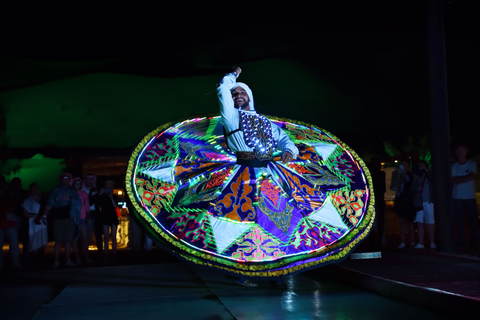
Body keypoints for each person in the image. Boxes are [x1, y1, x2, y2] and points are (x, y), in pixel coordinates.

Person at [218, 67, 298, 287]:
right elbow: (223, 90)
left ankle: (277, 270)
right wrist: (231, 78)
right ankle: (243, 272)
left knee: (277, 223)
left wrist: (290, 151)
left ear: (250, 96)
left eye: (242, 92)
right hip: (243, 176)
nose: (238, 96)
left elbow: (285, 140)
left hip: (268, 175)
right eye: (234, 94)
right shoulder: (231, 116)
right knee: (244, 225)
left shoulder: (264, 122)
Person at [42, 173, 81, 268]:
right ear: (60, 179)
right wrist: (44, 215)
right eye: (64, 178)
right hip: (58, 219)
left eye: (68, 178)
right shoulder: (55, 190)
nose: (66, 180)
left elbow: (78, 203)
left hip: (69, 219)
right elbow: (49, 204)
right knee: (58, 241)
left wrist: (69, 198)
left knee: (68, 241)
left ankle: (67, 260)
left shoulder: (72, 191)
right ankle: (56, 261)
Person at [451, 144, 479, 253]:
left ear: (466, 152)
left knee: (473, 221)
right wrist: (464, 178)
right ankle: (462, 242)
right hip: (457, 198)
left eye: (462, 152)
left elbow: (471, 176)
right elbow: (452, 180)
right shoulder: (453, 166)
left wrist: (458, 179)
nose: (460, 154)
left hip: (470, 197)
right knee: (459, 222)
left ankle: (475, 242)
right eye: (458, 152)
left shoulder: (472, 164)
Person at [21, 183, 48, 268]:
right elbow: (25, 214)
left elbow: (47, 211)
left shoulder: (43, 200)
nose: (34, 190)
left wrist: (43, 217)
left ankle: (40, 260)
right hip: (32, 225)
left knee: (42, 242)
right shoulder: (27, 201)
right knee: (32, 242)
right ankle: (31, 261)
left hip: (42, 225)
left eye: (36, 188)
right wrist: (38, 216)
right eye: (33, 189)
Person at [391, 159, 415, 249]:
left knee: (411, 222)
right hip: (401, 199)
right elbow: (394, 187)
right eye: (403, 164)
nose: (404, 166)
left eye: (406, 165)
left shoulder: (411, 175)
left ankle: (412, 241)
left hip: (409, 200)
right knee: (402, 221)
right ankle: (402, 241)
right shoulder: (397, 175)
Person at [411, 161, 435, 249]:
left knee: (430, 223)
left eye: (422, 165)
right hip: (419, 203)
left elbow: (435, 180)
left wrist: (426, 171)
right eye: (419, 166)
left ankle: (432, 242)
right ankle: (420, 242)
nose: (420, 167)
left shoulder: (429, 175)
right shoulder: (417, 177)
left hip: (429, 202)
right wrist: (414, 180)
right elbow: (412, 190)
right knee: (420, 223)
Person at [0, 185, 23, 271]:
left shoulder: (10, 197)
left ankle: (16, 263)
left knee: (14, 244)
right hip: (5, 223)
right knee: (13, 244)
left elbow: (14, 205)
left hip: (10, 223)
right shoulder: (8, 197)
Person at [96, 180, 119, 264]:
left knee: (113, 237)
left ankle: (114, 255)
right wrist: (100, 194)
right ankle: (106, 255)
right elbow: (97, 204)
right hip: (105, 216)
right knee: (105, 237)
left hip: (113, 216)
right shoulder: (102, 196)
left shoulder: (115, 196)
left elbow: (116, 206)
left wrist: (111, 197)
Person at [72, 177, 92, 265]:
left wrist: (88, 216)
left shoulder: (83, 194)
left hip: (82, 219)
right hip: (73, 219)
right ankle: (77, 258)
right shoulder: (71, 193)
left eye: (79, 184)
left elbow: (87, 206)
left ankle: (86, 257)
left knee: (84, 239)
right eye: (76, 184)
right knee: (75, 239)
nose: (77, 185)